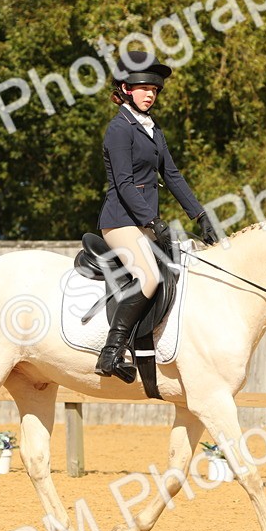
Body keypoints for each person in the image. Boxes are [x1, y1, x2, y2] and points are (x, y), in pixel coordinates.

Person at [94, 50, 219, 382]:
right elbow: (122, 183)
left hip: (144, 221)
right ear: (126, 88)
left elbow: (173, 176)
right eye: (144, 88)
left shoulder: (153, 128)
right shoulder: (119, 129)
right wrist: (152, 219)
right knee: (149, 277)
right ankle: (111, 352)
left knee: (182, 268)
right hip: (120, 220)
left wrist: (200, 215)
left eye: (155, 89)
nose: (150, 94)